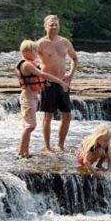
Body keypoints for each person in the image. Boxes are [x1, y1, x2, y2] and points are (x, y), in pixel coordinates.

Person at [15, 39, 71, 159]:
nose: (37, 53)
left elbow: (38, 78)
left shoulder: (30, 63)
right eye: (34, 51)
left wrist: (45, 83)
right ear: (26, 52)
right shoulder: (27, 64)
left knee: (30, 125)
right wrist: (60, 81)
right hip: (28, 98)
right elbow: (42, 74)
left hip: (33, 98)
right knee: (29, 126)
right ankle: (21, 152)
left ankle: (25, 151)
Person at [37, 15, 78, 152]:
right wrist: (40, 79)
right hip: (48, 83)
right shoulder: (40, 44)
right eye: (51, 25)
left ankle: (60, 145)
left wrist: (70, 75)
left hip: (63, 83)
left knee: (67, 115)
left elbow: (74, 58)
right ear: (45, 26)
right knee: (48, 116)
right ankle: (47, 146)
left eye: (56, 25)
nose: (54, 27)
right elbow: (29, 62)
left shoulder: (64, 42)